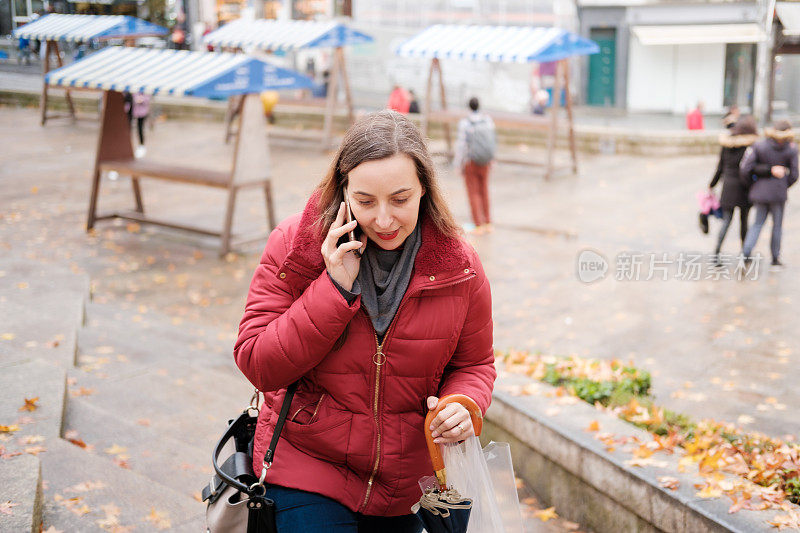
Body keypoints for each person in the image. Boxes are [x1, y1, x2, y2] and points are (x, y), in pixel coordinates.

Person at [234, 110, 495, 531]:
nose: (384, 220)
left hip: (406, 487)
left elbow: (474, 365)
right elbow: (258, 363)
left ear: (424, 189)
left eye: (400, 198)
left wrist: (464, 405)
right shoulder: (295, 246)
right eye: (365, 201)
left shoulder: (459, 267)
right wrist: (333, 288)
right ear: (343, 191)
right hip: (307, 466)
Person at [740, 120, 798, 267]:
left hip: (760, 191)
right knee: (777, 225)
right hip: (778, 193)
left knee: (757, 223)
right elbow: (794, 174)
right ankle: (775, 258)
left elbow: (746, 168)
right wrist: (783, 184)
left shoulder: (760, 145)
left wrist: (753, 185)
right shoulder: (791, 148)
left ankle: (745, 253)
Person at [708, 115, 758, 265]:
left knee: (726, 221)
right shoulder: (749, 146)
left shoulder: (726, 145)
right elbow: (751, 169)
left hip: (728, 188)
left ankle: (716, 253)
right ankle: (745, 254)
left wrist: (712, 184)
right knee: (744, 222)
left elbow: (720, 168)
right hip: (744, 188)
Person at [454, 97, 496, 234]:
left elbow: (461, 146)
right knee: (484, 190)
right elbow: (492, 141)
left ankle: (478, 224)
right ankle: (488, 222)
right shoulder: (488, 120)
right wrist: (492, 159)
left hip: (470, 161)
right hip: (486, 161)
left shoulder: (465, 123)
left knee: (473, 192)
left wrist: (458, 164)